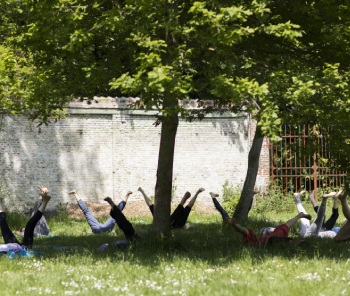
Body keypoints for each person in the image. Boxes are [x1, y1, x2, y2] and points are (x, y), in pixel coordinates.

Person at [210, 191, 311, 247]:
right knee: (245, 230)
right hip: (269, 239)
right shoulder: (256, 243)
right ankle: (231, 222)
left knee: (285, 227)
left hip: (269, 238)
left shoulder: (256, 243)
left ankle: (232, 223)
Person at [260, 190, 341, 238]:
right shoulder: (338, 233)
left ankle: (300, 198)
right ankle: (299, 198)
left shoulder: (336, 232)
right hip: (312, 234)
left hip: (312, 234)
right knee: (306, 217)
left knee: (315, 219)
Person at [138, 187, 205, 229]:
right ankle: (195, 194)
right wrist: (186, 227)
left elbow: (150, 204)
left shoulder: (158, 218)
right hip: (173, 225)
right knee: (186, 210)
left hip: (165, 224)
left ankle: (184, 201)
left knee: (186, 210)